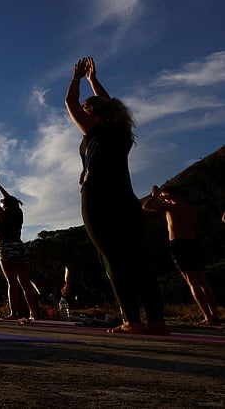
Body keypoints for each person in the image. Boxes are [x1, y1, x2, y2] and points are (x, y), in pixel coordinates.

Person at [65, 56, 168, 335]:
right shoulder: (120, 133)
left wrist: (77, 78)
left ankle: (132, 321)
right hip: (125, 201)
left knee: (116, 260)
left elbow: (70, 104)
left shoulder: (96, 132)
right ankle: (156, 321)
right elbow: (107, 104)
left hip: (99, 203)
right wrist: (93, 81)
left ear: (93, 115)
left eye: (87, 112)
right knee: (137, 260)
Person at [143, 185, 220, 326]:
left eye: (165, 195)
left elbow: (146, 206)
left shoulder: (172, 208)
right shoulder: (191, 208)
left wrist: (154, 196)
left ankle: (207, 316)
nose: (163, 198)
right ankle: (215, 315)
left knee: (192, 282)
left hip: (179, 245)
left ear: (171, 195)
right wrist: (163, 197)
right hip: (193, 242)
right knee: (203, 282)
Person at [0, 174, 39, 322]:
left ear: (5, 205)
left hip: (7, 247)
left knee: (12, 282)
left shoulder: (0, 215)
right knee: (25, 282)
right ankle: (33, 313)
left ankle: (14, 313)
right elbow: (10, 199)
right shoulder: (18, 213)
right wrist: (0, 186)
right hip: (20, 246)